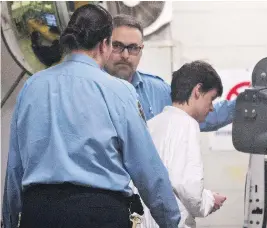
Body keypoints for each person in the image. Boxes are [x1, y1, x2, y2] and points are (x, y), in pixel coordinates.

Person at [2, 4, 180, 228]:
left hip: (39, 213)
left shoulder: (32, 87)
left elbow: (15, 167)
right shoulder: (119, 91)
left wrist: (8, 220)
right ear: (105, 44)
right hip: (98, 214)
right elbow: (147, 167)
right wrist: (170, 220)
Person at [105, 14, 236, 131]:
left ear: (141, 50)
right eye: (117, 46)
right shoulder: (88, 89)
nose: (125, 55)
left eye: (133, 48)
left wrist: (246, 104)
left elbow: (200, 112)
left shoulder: (158, 91)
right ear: (104, 46)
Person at [141, 61, 228, 228]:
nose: (211, 108)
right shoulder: (187, 124)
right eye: (210, 99)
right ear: (197, 91)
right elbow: (188, 187)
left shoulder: (152, 124)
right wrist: (209, 201)